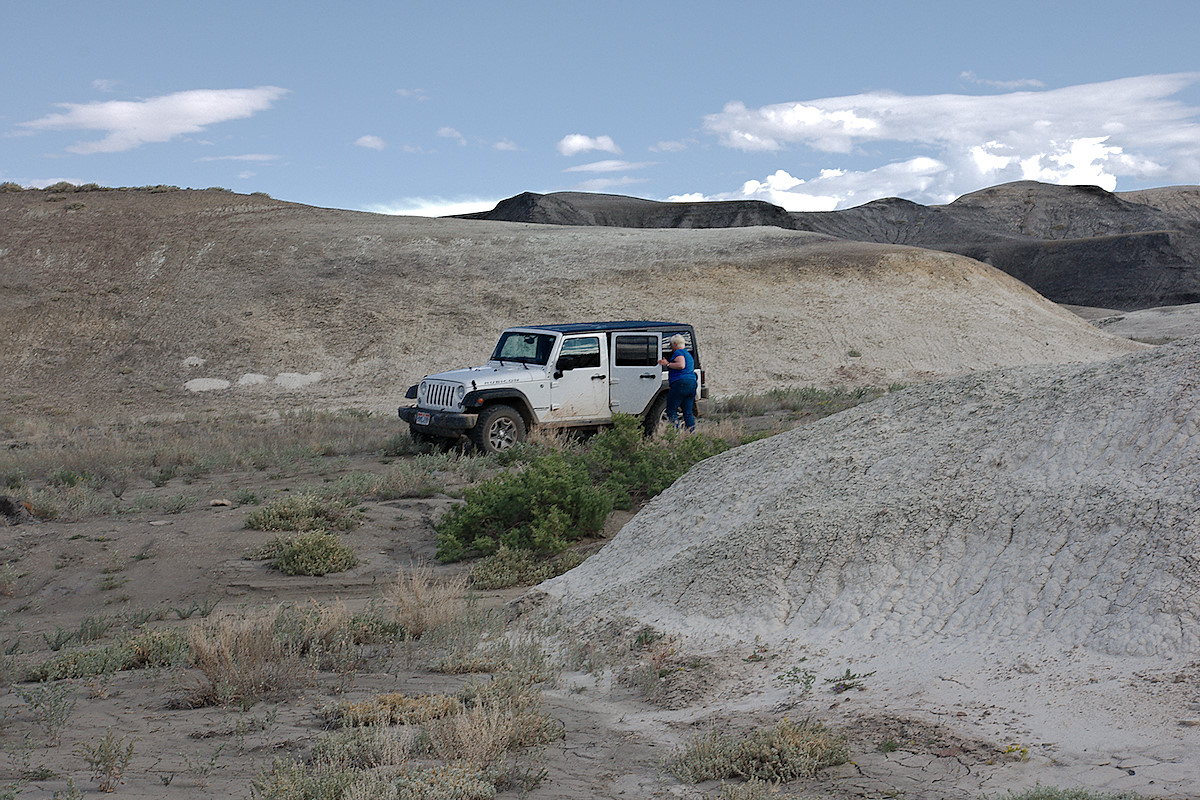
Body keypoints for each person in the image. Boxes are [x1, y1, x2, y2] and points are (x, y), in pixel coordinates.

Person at [658, 334, 697, 431]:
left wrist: (667, 364)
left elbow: (681, 365)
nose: (670, 347)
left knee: (671, 410)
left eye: (671, 345)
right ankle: (692, 434)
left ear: (675, 344)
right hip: (691, 383)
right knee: (687, 412)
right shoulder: (688, 354)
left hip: (680, 383)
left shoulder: (678, 352)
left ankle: (675, 433)